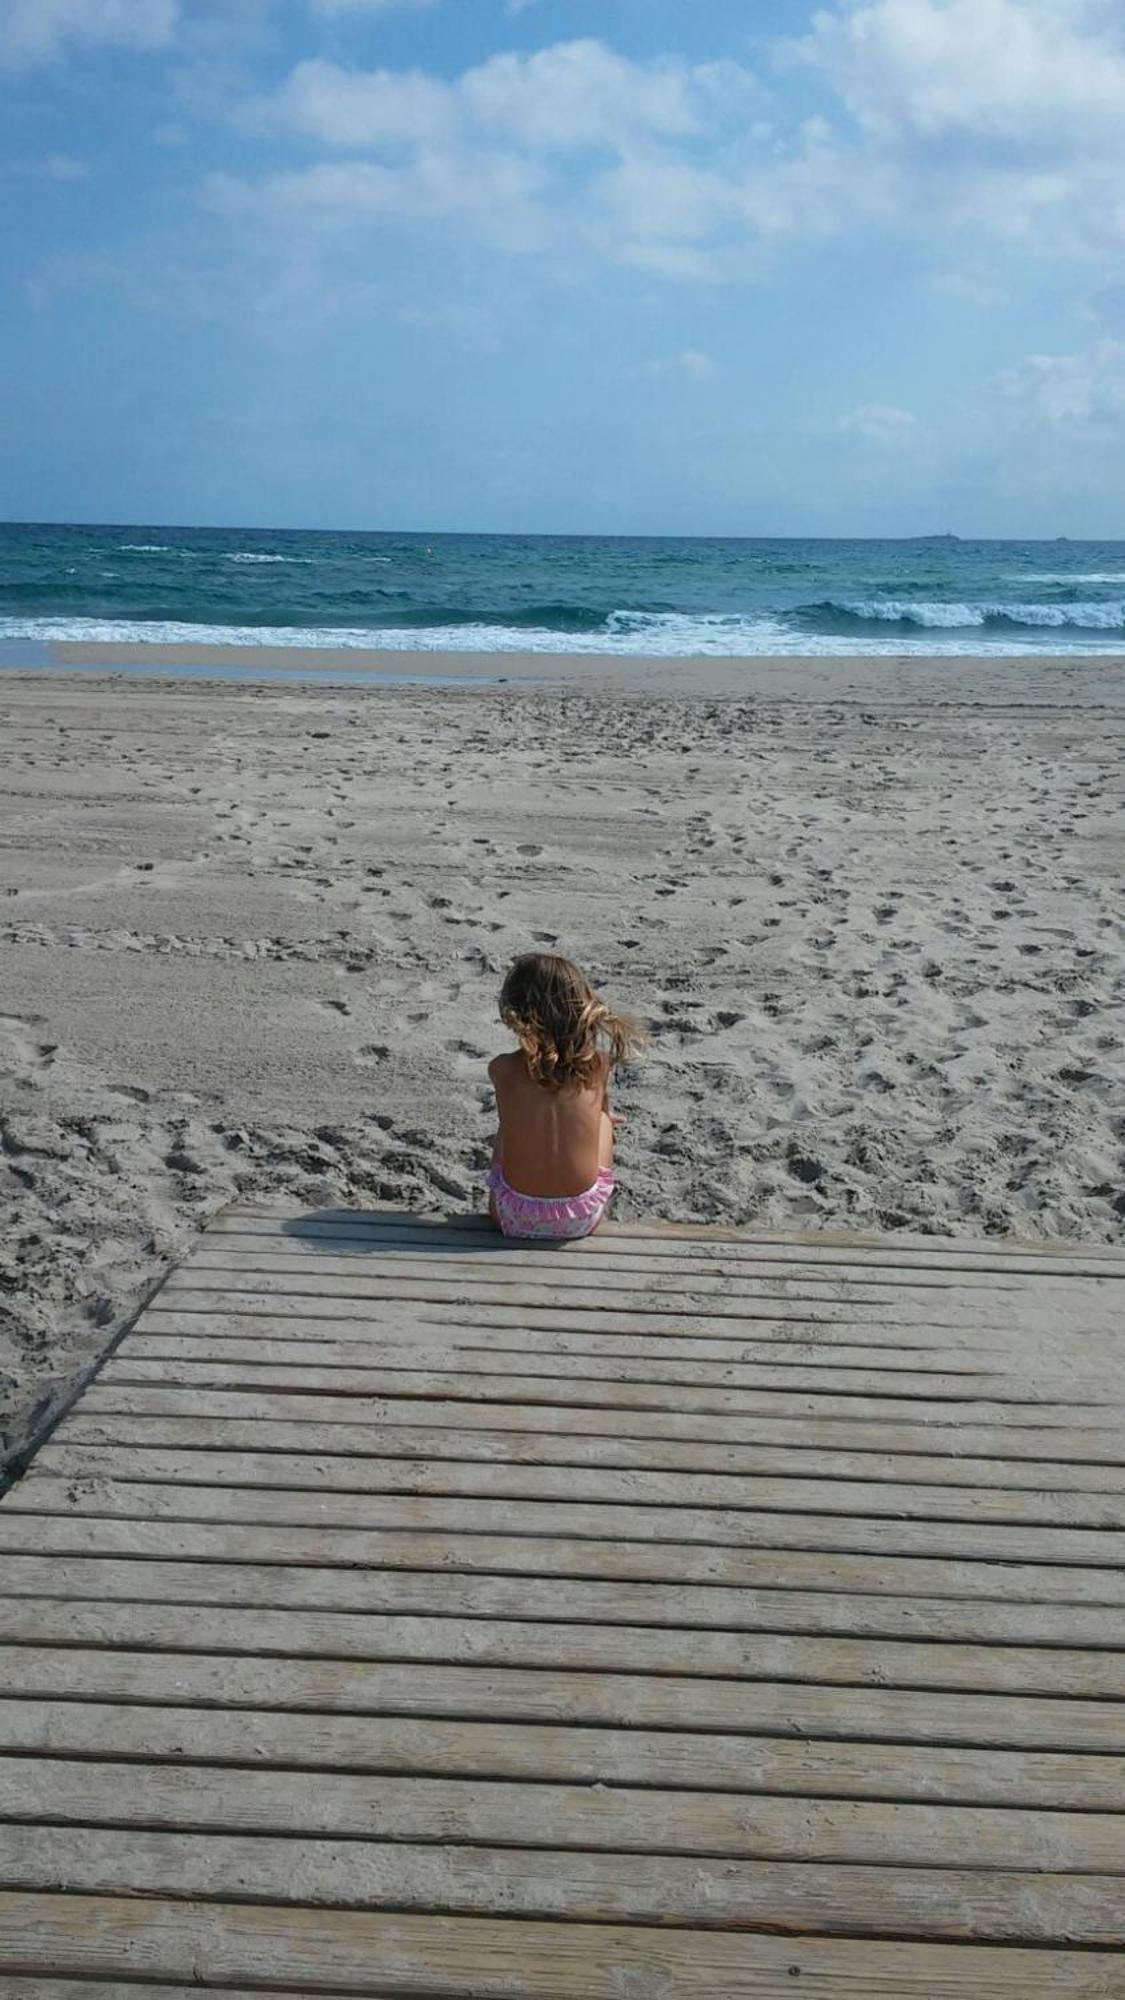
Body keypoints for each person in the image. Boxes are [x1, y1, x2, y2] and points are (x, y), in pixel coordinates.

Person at [486, 952, 646, 1241]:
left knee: (507, 1127)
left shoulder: (502, 1068)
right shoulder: (599, 1065)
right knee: (603, 1122)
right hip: (581, 1220)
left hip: (511, 1217)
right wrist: (602, 1118)